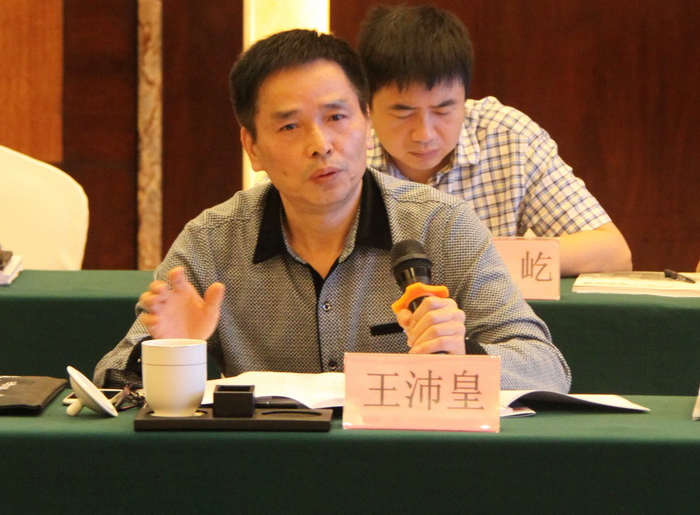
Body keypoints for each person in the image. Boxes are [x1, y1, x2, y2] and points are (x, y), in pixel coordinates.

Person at [94, 29, 570, 393]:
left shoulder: (441, 224)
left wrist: (464, 353)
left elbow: (546, 366)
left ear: (366, 123)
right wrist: (170, 352)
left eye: (337, 117)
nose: (320, 144)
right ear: (252, 148)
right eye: (289, 127)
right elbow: (113, 379)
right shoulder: (212, 241)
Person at [358, 5, 632, 276]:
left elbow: (613, 252)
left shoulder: (509, 137)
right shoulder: (347, 152)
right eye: (403, 113)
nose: (425, 134)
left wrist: (477, 256)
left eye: (443, 111)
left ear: (464, 100)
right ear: (366, 106)